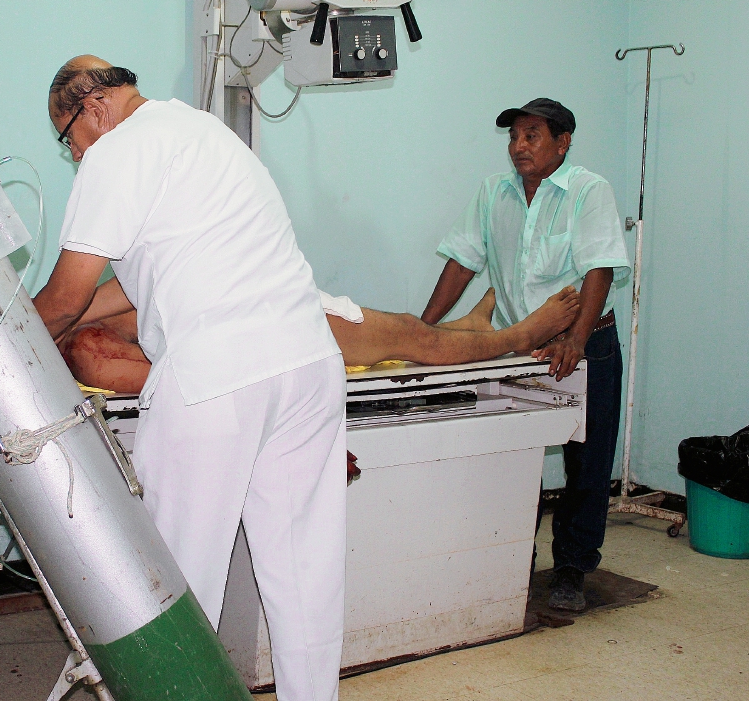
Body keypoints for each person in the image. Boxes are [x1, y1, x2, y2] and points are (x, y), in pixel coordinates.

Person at [33, 56, 345, 701]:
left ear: (90, 106)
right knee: (304, 572)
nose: (75, 155)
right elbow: (124, 283)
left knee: (171, 583)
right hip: (306, 363)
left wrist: (4, 337)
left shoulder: (114, 153)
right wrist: (46, 317)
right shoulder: (201, 131)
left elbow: (66, 297)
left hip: (217, 379)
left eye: (69, 141)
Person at [421, 98, 631, 613]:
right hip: (521, 345)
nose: (519, 147)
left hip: (585, 344)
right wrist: (419, 332)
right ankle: (509, 556)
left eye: (532, 136)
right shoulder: (495, 193)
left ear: (563, 142)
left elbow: (599, 269)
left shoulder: (588, 190)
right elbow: (463, 262)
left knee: (587, 460)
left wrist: (576, 341)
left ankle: (572, 568)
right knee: (514, 452)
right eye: (515, 136)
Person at [58, 285, 581, 394]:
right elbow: (169, 381)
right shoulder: (87, 354)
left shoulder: (87, 311)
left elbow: (141, 285)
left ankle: (471, 328)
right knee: (406, 337)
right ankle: (517, 337)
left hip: (263, 307)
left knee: (400, 329)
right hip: (270, 338)